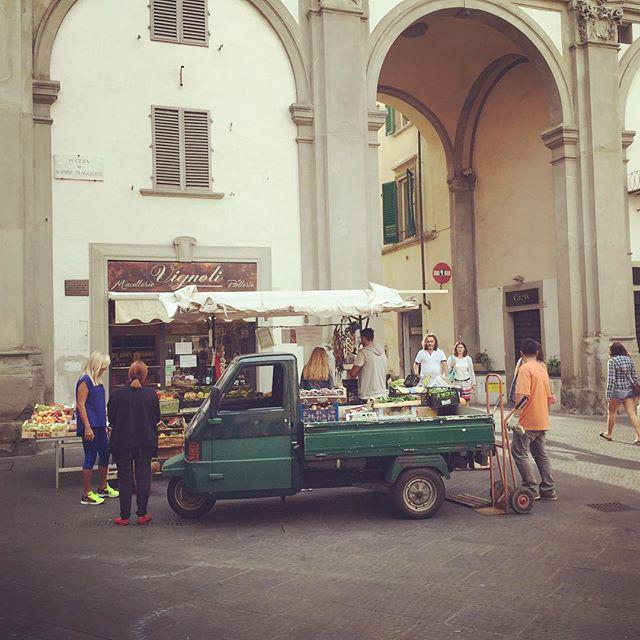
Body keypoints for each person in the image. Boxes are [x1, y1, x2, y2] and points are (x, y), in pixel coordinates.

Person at [107, 361, 160, 526]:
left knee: (124, 478)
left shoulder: (117, 394)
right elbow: (156, 418)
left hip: (122, 441)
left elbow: (111, 418)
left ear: (129, 375)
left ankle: (124, 516)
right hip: (145, 441)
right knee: (143, 477)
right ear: (145, 376)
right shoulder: (151, 394)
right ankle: (142, 514)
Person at [509, 338, 557, 500]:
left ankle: (531, 487)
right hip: (542, 418)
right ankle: (548, 489)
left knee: (519, 451)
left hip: (527, 419)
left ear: (521, 353)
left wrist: (516, 415)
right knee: (540, 453)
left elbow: (522, 394)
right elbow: (550, 395)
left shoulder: (525, 369)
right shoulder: (542, 367)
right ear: (537, 352)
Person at [75, 352, 118, 506]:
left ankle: (103, 487)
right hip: (90, 426)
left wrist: (104, 423)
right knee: (91, 456)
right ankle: (86, 494)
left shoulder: (96, 380)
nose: (105, 369)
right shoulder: (85, 380)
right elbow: (80, 404)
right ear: (97, 365)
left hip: (99, 425)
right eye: (103, 366)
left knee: (105, 453)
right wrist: (87, 427)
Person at [600, 341, 640, 444]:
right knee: (632, 413)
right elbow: (634, 377)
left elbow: (611, 380)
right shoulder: (629, 359)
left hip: (617, 392)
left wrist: (608, 395)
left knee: (612, 413)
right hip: (629, 391)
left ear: (612, 351)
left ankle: (608, 434)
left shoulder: (612, 361)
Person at [348, 328, 388, 401]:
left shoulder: (363, 353)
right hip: (382, 392)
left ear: (363, 338)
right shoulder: (382, 353)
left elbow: (353, 373)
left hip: (368, 395)